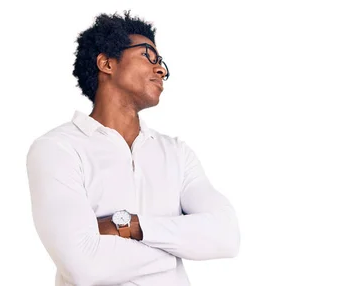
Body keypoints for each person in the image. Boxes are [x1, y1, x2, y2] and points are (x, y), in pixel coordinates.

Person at [25, 11, 240, 286]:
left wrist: (129, 225)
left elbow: (227, 237)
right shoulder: (57, 149)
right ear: (107, 63)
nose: (160, 69)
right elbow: (84, 266)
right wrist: (174, 254)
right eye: (147, 56)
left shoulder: (176, 153)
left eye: (160, 61)